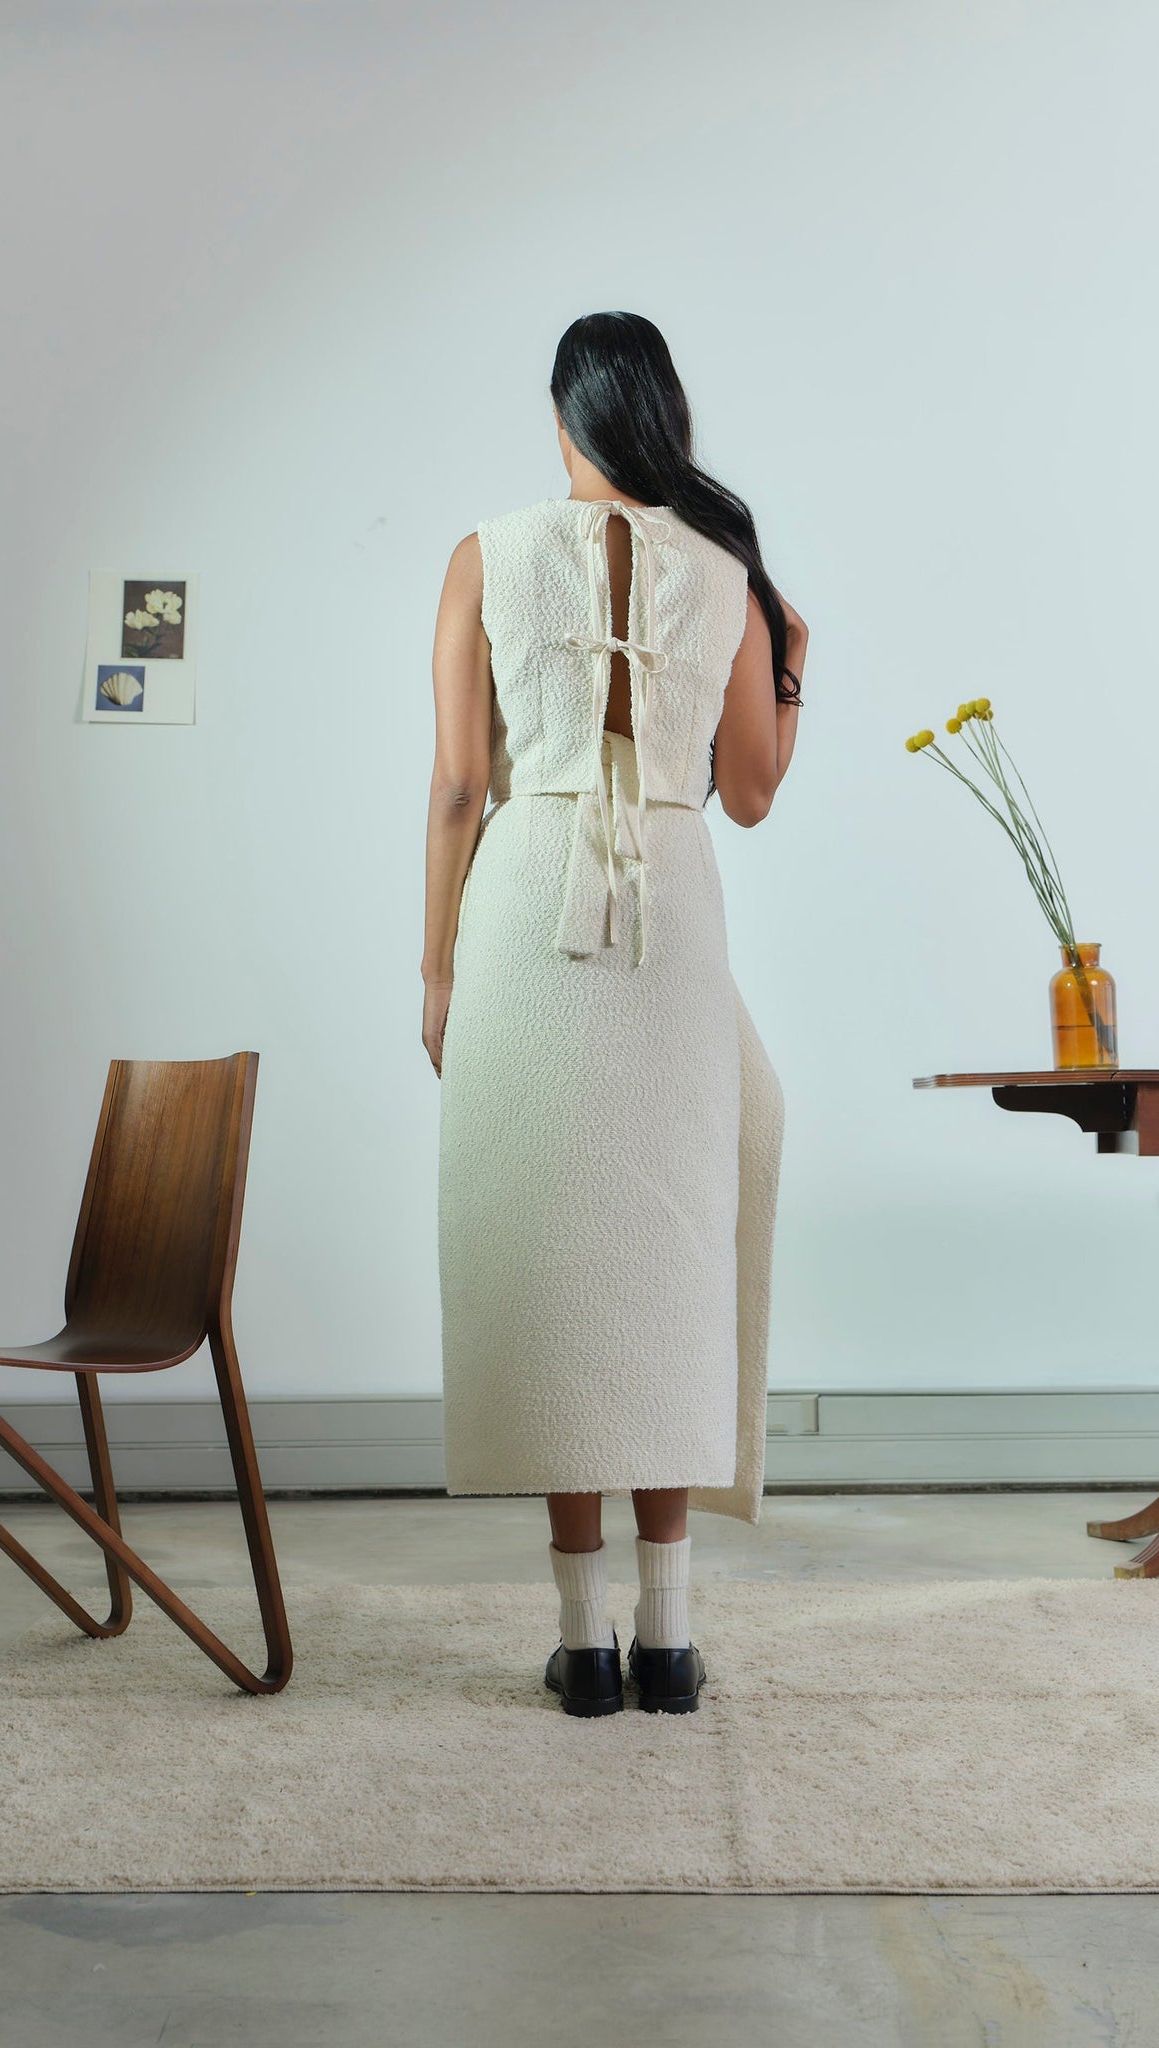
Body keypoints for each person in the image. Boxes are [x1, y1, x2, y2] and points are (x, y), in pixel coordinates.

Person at [423, 311, 804, 1718]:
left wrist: (436, 972)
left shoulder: (484, 552)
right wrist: (790, 662)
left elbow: (461, 786)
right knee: (668, 1256)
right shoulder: (729, 572)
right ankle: (671, 1635)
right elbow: (752, 795)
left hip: (529, 899)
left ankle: (582, 1643)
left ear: (562, 416)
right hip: (675, 903)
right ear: (659, 413)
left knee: (554, 1255)